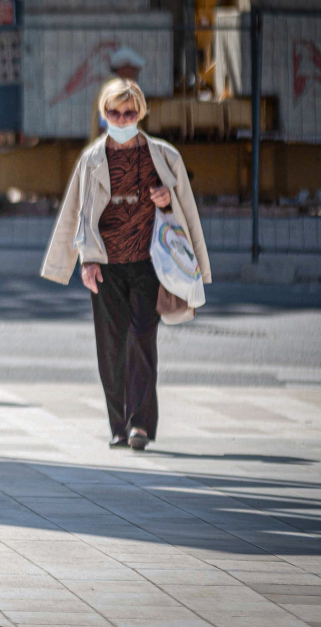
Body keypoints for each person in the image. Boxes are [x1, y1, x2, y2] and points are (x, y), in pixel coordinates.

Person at [41, 79, 210, 452]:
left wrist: (165, 201)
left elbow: (186, 214)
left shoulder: (164, 156)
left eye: (129, 112)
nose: (121, 119)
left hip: (150, 262)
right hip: (106, 264)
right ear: (103, 114)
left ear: (141, 113)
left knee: (142, 338)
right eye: (113, 112)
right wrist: (86, 261)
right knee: (111, 346)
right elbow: (82, 214)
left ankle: (141, 427)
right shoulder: (92, 159)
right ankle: (118, 425)